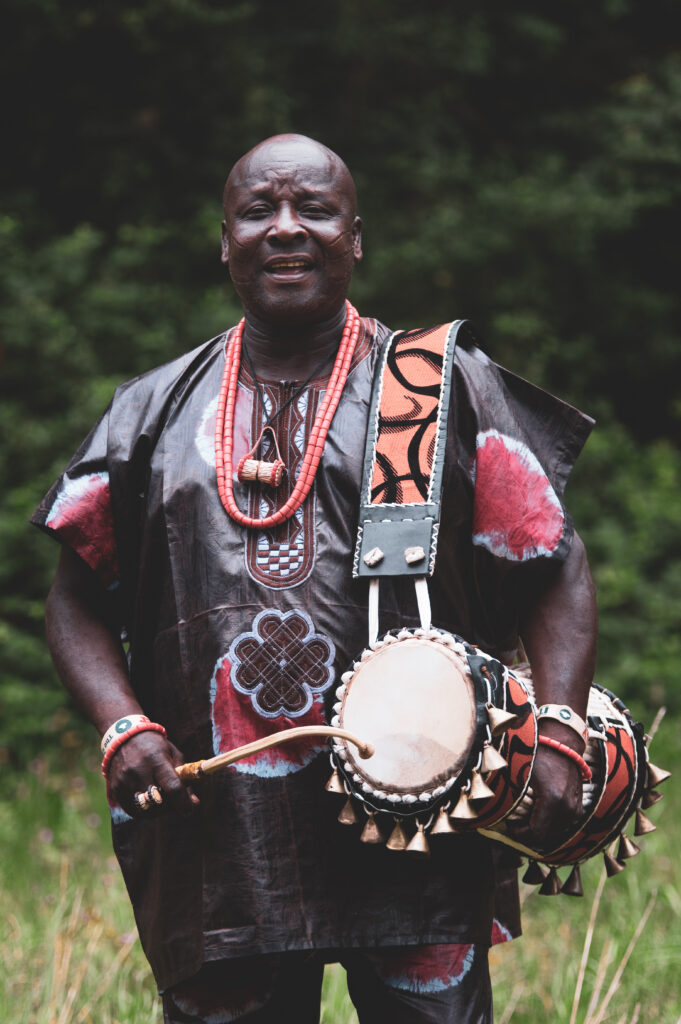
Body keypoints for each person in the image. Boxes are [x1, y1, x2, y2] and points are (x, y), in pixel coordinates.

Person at [33, 134, 597, 1023]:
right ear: (225, 241)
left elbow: (553, 567)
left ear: (355, 238)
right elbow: (74, 603)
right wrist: (121, 728)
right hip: (217, 838)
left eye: (316, 210)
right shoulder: (149, 411)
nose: (286, 228)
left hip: (421, 823)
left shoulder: (437, 386)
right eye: (259, 210)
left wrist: (560, 733)